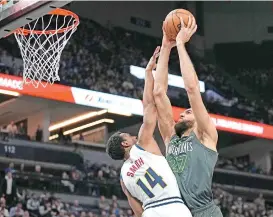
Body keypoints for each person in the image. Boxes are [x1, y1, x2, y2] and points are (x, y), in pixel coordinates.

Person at [106, 47, 192, 217]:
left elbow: (138, 212)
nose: (133, 136)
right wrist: (148, 73)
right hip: (173, 206)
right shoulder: (142, 146)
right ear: (125, 144)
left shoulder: (123, 178)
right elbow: (149, 107)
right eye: (129, 136)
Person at [153, 16, 223, 217]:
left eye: (189, 112)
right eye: (182, 113)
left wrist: (181, 45)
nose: (182, 113)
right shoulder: (170, 138)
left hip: (204, 212)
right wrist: (166, 47)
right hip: (176, 212)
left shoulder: (205, 135)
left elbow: (192, 89)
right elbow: (158, 93)